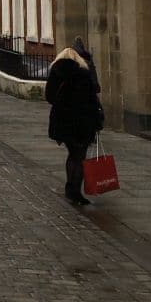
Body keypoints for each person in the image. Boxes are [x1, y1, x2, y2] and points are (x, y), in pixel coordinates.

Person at [45, 36, 104, 206]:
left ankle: (70, 188)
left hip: (63, 120)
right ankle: (75, 191)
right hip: (83, 121)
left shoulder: (56, 72)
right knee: (80, 156)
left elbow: (49, 96)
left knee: (72, 155)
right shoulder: (84, 73)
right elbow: (93, 96)